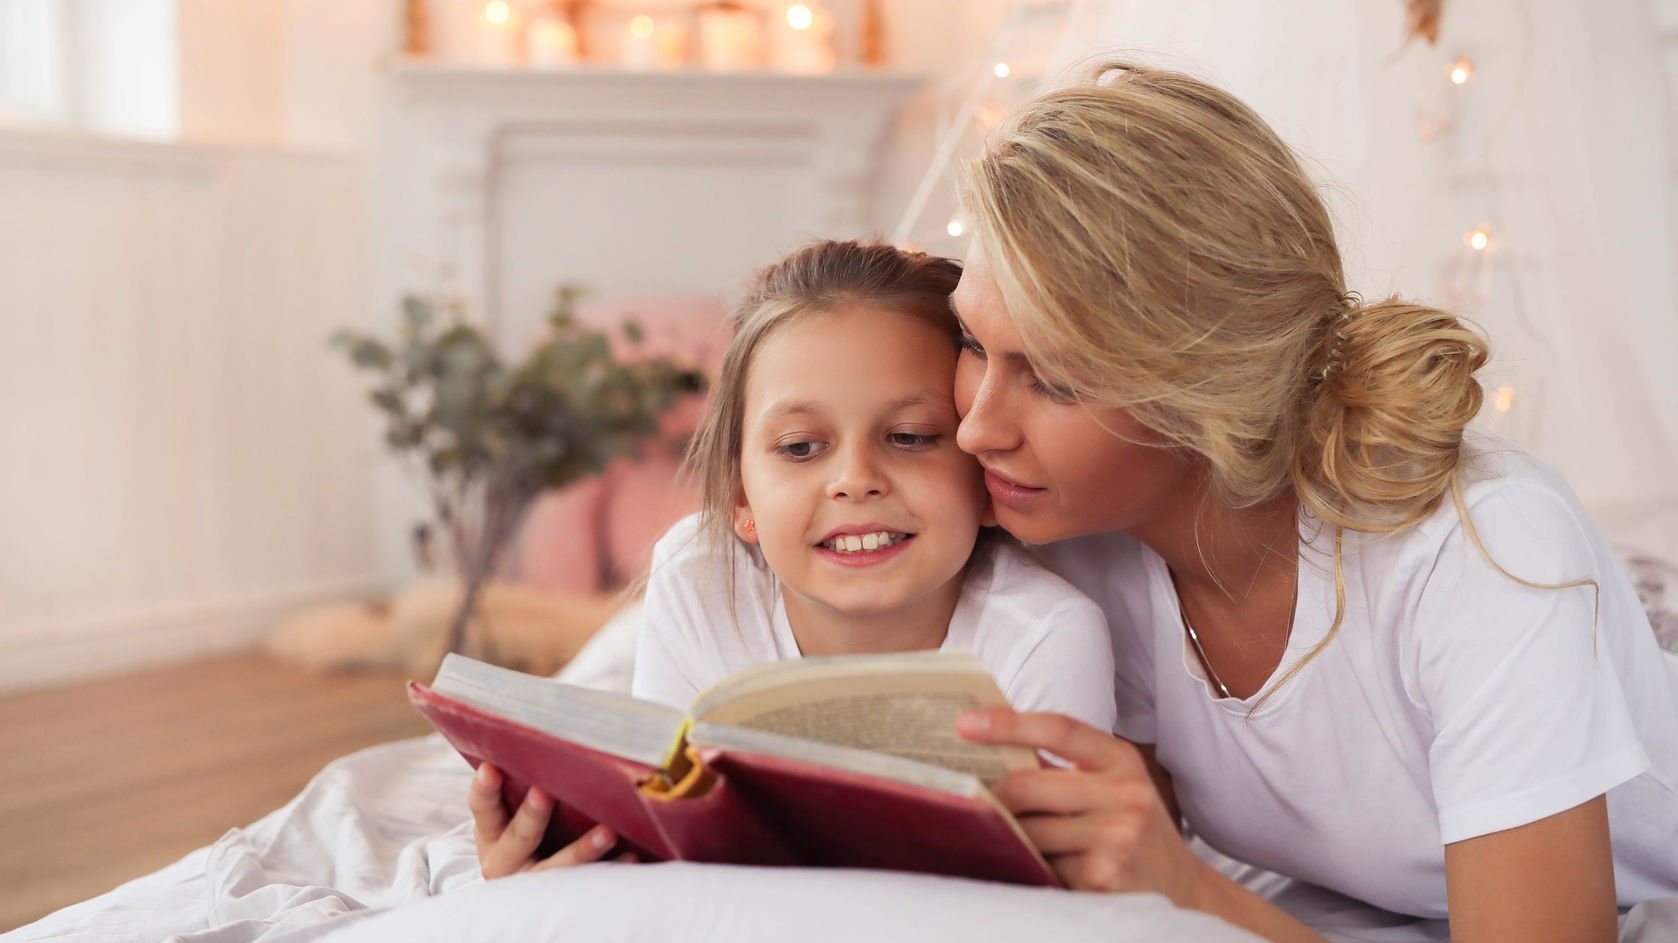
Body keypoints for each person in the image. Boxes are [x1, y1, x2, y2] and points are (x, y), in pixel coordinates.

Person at [939, 61, 1678, 942]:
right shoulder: (1072, 535)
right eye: (971, 343)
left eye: (1052, 380)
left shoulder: (1480, 549)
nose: (976, 429)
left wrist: (1186, 887)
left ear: (1202, 388)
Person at [468, 239, 1117, 880]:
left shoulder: (1048, 637)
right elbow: (658, 838)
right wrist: (549, 869)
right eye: (803, 447)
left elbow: (1060, 893)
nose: (855, 479)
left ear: (983, 473)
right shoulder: (698, 579)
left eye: (910, 437)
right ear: (740, 496)